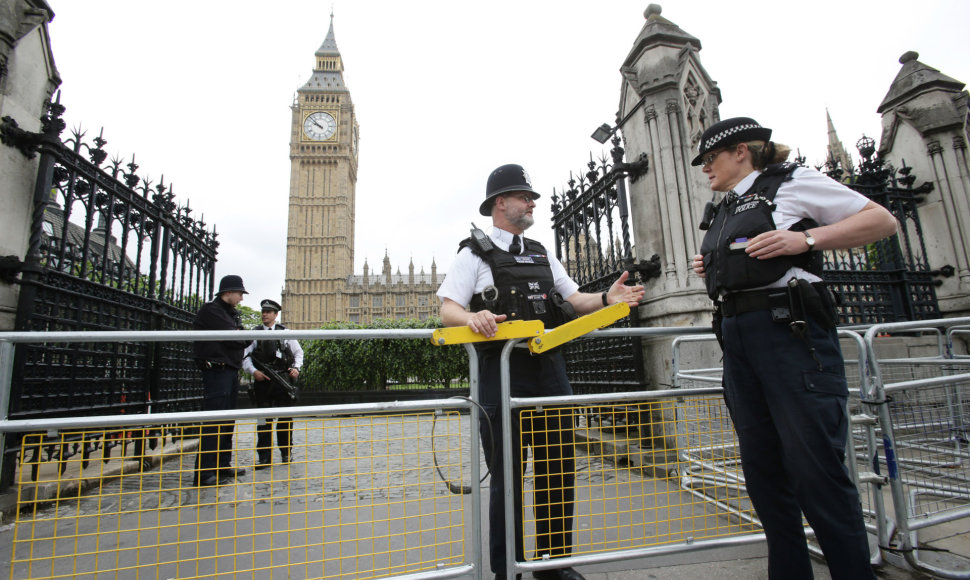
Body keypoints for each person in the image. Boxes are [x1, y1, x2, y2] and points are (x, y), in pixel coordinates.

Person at [689, 117, 897, 580]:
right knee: (762, 472)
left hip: (790, 335)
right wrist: (714, 263)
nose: (704, 168)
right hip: (739, 338)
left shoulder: (792, 182)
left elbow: (882, 220)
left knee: (815, 471)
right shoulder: (727, 206)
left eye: (710, 158)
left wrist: (804, 238)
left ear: (741, 151)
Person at [437, 163, 644, 580]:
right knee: (507, 480)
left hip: (549, 371)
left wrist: (607, 296)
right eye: (524, 196)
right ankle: (506, 569)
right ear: (501, 203)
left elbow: (575, 300)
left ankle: (553, 565)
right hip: (501, 374)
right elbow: (446, 308)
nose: (532, 203)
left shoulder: (541, 252)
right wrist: (472, 315)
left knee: (557, 470)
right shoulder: (472, 254)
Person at [192, 274, 252, 487]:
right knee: (214, 421)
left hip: (230, 371)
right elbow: (236, 338)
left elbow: (244, 338)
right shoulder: (212, 310)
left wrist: (238, 335)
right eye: (239, 294)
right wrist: (238, 335)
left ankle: (222, 465)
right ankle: (204, 472)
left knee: (227, 421)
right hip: (216, 371)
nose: (241, 299)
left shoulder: (231, 313)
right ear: (228, 292)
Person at [242, 298, 304, 469]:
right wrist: (254, 371)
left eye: (268, 312)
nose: (265, 315)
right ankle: (264, 457)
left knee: (285, 420)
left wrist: (296, 368)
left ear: (276, 315)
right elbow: (245, 356)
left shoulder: (285, 333)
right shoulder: (255, 334)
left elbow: (299, 353)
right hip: (262, 383)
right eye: (263, 312)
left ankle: (286, 453)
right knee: (263, 422)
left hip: (282, 382)